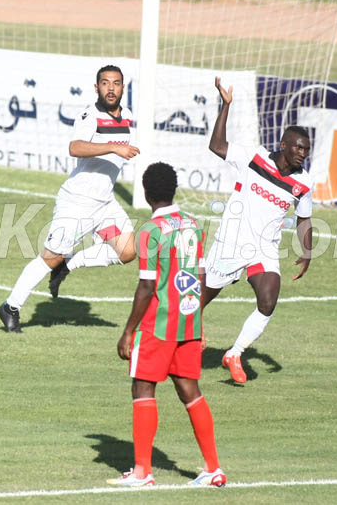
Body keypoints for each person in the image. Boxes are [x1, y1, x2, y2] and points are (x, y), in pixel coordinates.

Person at [107, 162, 226, 488]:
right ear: (174, 190)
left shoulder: (150, 231)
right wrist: (198, 322)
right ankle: (213, 468)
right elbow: (200, 277)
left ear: (146, 193)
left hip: (158, 325)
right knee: (189, 390)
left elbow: (147, 286)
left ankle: (142, 472)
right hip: (188, 323)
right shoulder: (193, 225)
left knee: (143, 387)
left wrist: (128, 331)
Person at [0, 65, 140, 333]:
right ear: (96, 87)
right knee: (50, 257)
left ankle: (69, 264)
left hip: (104, 204)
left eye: (116, 83)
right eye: (105, 83)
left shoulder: (128, 116)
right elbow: (75, 147)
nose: (111, 88)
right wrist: (113, 147)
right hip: (77, 203)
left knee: (128, 250)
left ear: (123, 88)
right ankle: (10, 307)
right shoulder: (90, 115)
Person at [203, 77, 314, 383]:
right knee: (196, 303)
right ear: (283, 145)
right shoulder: (254, 157)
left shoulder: (304, 182)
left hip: (264, 249)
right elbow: (217, 146)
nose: (303, 153)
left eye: (306, 149)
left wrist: (307, 252)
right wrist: (226, 106)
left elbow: (304, 218)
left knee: (268, 301)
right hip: (231, 243)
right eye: (298, 147)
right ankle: (166, 339)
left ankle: (234, 353)